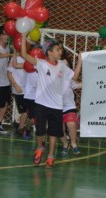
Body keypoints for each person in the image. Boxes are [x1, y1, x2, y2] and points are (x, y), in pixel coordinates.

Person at [21, 35, 75, 168]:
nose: (60, 52)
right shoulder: (42, 64)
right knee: (40, 131)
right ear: (49, 52)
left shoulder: (62, 65)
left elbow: (74, 76)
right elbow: (23, 54)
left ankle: (51, 156)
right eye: (58, 49)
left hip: (56, 106)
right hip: (41, 104)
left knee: (53, 133)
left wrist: (80, 61)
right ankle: (39, 149)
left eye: (61, 50)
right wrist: (23, 37)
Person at [59, 42, 82, 156]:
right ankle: (65, 144)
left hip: (69, 106)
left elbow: (78, 84)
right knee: (59, 129)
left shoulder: (69, 80)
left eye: (66, 65)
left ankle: (73, 143)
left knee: (71, 125)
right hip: (56, 106)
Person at [7, 50, 28, 137]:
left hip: (28, 89)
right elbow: (9, 73)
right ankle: (20, 128)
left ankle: (19, 124)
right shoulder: (15, 58)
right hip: (19, 89)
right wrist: (15, 85)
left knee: (26, 111)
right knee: (25, 111)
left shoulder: (28, 58)